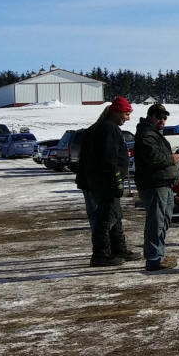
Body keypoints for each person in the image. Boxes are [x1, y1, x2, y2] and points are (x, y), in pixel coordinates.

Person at [76, 96, 136, 267]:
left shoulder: (100, 127)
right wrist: (115, 180)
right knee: (105, 218)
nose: (127, 118)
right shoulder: (108, 129)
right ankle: (101, 254)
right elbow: (108, 159)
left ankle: (118, 249)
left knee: (114, 215)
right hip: (103, 183)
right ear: (116, 112)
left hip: (96, 181)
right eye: (126, 114)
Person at [134, 103, 179, 271]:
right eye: (159, 117)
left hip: (163, 184)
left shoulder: (154, 134)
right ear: (150, 117)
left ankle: (157, 255)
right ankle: (154, 258)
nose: (162, 120)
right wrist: (172, 158)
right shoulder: (146, 134)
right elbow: (153, 158)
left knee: (163, 221)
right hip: (154, 184)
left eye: (164, 117)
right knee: (156, 222)